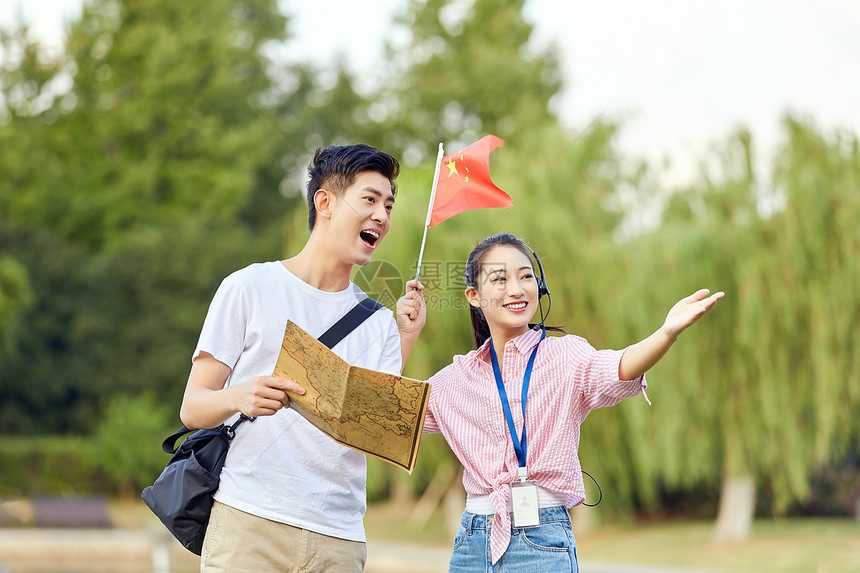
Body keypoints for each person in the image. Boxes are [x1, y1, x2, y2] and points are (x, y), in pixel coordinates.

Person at [179, 143, 424, 573]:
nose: (382, 216)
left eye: (389, 204)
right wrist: (241, 397)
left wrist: (405, 336)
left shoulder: (380, 322)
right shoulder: (249, 287)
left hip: (339, 538)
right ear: (325, 202)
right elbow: (193, 408)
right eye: (369, 199)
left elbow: (374, 430)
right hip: (248, 523)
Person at [419, 232, 723, 572]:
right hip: (472, 544)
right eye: (500, 279)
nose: (517, 289)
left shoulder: (565, 357)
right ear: (474, 296)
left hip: (541, 539)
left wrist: (666, 333)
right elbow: (383, 412)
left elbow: (619, 367)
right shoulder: (456, 378)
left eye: (526, 276)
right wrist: (406, 333)